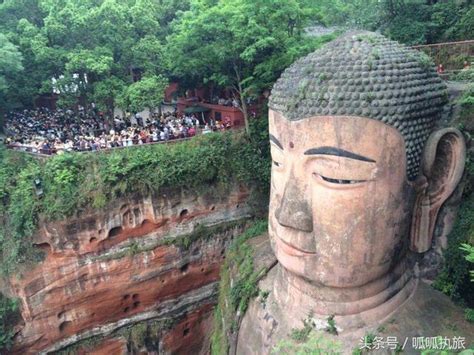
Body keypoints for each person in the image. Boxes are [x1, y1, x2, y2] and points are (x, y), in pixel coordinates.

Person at [237, 31, 467, 353]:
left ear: (438, 175)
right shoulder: (247, 269)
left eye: (336, 177)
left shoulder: (440, 342)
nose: (286, 215)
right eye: (277, 161)